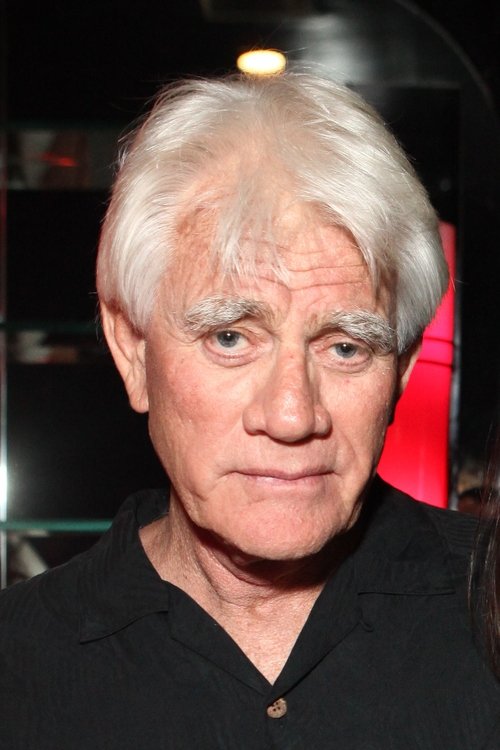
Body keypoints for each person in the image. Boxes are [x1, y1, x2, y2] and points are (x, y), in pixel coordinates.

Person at [1, 72, 499, 749]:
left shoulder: (489, 613)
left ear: (403, 370)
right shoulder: (19, 667)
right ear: (132, 349)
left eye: (346, 347)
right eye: (230, 338)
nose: (292, 416)